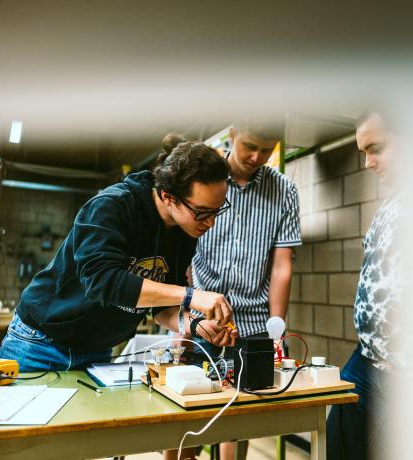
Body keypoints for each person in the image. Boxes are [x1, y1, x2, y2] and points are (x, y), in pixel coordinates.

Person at [0, 134, 238, 372]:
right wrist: (190, 295)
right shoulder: (112, 206)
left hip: (97, 350)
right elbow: (102, 281)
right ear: (168, 197)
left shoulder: (184, 230)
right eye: (203, 212)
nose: (211, 223)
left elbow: (162, 308)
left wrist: (197, 325)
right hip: (40, 343)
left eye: (217, 211)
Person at [170, 119, 301, 460]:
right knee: (184, 423)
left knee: (237, 422)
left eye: (267, 149)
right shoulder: (203, 177)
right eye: (250, 146)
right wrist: (182, 318)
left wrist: (277, 327)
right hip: (200, 319)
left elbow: (281, 265)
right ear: (232, 134)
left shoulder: (284, 190)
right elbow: (179, 250)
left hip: (252, 324)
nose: (257, 156)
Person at [326, 111, 405, 460]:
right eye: (363, 152)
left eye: (377, 148)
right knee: (338, 441)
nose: (369, 162)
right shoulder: (392, 204)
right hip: (367, 357)